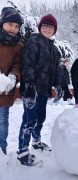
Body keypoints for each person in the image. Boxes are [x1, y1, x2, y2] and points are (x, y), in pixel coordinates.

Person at [17, 14, 62, 166]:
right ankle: (22, 152)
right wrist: (29, 85)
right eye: (45, 26)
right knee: (29, 120)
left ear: (54, 30)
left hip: (44, 90)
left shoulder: (54, 49)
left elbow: (55, 71)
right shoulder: (34, 41)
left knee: (40, 118)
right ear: (40, 27)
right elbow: (27, 64)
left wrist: (58, 85)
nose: (48, 29)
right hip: (32, 89)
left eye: (51, 27)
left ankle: (36, 141)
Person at [0, 7, 23, 156]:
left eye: (16, 26)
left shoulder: (19, 46)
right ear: (2, 23)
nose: (13, 29)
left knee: (2, 121)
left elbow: (17, 65)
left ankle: (1, 148)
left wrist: (14, 77)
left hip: (5, 90)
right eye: (10, 24)